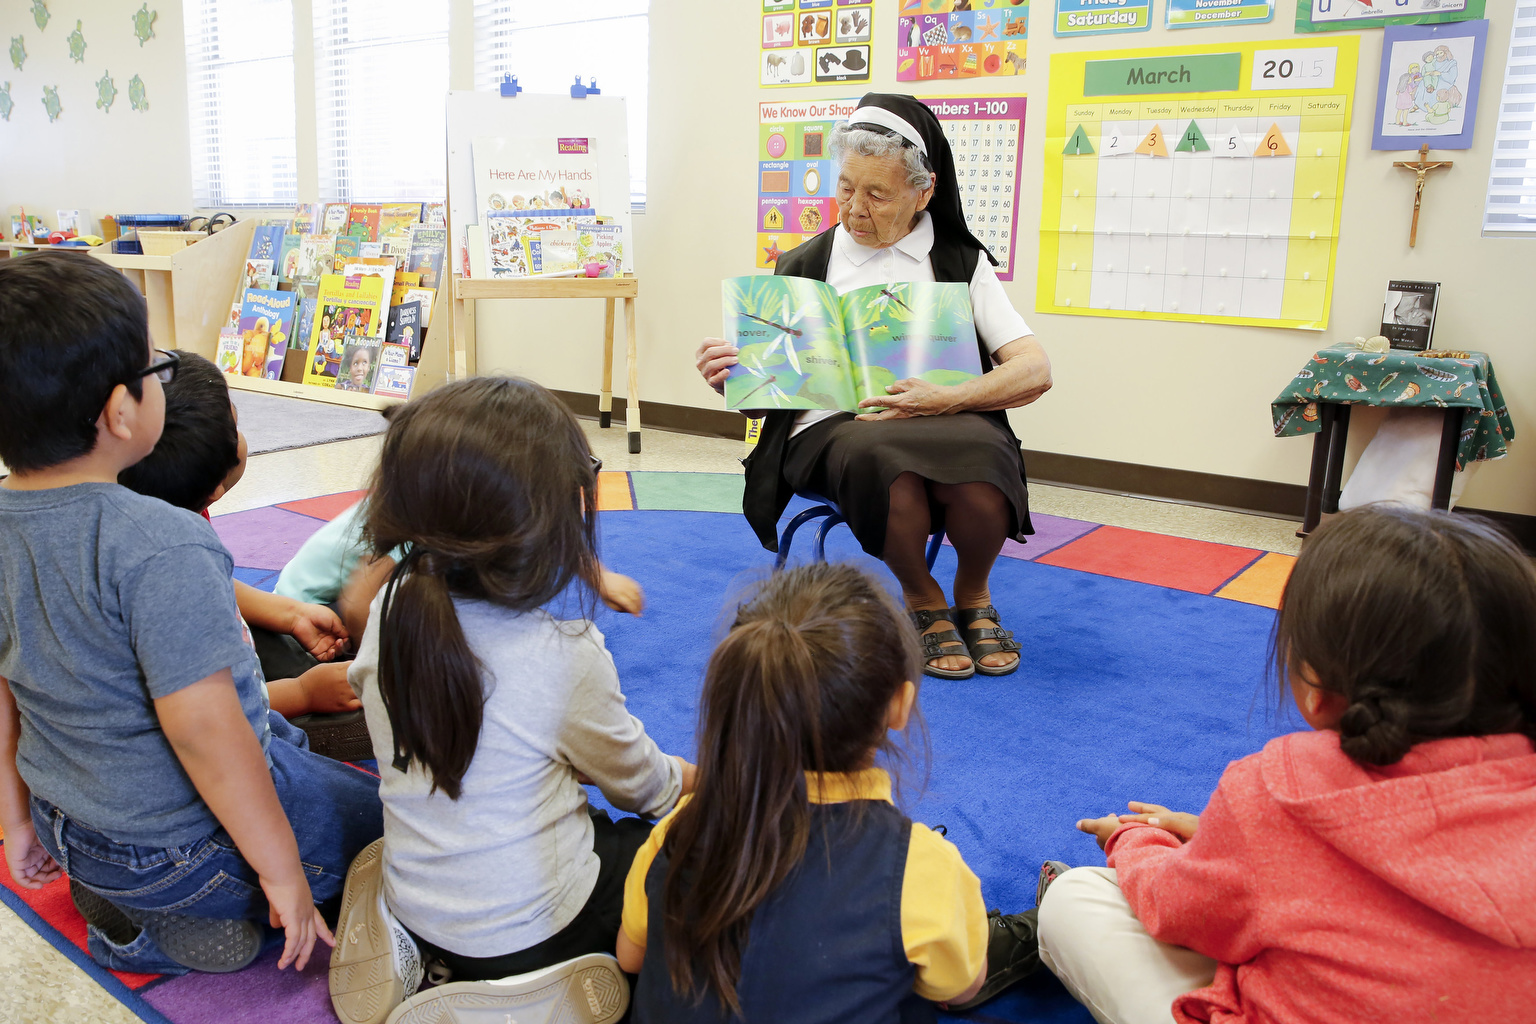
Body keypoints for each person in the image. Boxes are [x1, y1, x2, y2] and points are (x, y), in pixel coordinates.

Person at [0, 250, 381, 977]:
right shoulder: (161, 540)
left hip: (68, 823)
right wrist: (281, 876)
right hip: (179, 849)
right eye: (155, 370)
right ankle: (189, 914)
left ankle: (138, 901)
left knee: (285, 756)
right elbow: (207, 731)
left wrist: (17, 819)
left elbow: (5, 691)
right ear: (119, 411)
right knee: (390, 830)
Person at [1038, 506, 1536, 1024]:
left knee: (1078, 897)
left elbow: (1172, 908)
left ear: (1317, 687)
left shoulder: (1280, 789)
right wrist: (1217, 834)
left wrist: (1133, 839)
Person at [330, 376, 694, 1024]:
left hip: (421, 905)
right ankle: (531, 993)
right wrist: (723, 781)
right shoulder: (566, 655)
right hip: (535, 935)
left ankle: (421, 954)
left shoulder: (392, 608)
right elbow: (650, 789)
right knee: (677, 854)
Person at [696, 93, 1052, 680]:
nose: (854, 210)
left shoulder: (960, 261)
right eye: (845, 189)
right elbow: (773, 392)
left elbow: (1034, 369)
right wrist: (733, 377)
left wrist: (946, 398)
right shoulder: (803, 264)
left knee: (985, 459)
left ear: (923, 193)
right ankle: (921, 597)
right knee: (883, 459)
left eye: (876, 194)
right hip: (836, 431)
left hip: (944, 415)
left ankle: (973, 591)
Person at [617, 562, 1041, 1021]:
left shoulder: (681, 826)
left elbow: (631, 957)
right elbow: (961, 985)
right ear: (899, 705)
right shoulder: (919, 864)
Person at [116, 351, 367, 759]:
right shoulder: (173, 570)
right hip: (196, 727)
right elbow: (186, 710)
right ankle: (296, 734)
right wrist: (302, 694)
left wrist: (289, 613)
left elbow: (219, 585)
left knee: (290, 645)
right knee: (358, 806)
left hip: (204, 668)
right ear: (216, 481)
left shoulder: (156, 500)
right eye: (236, 425)